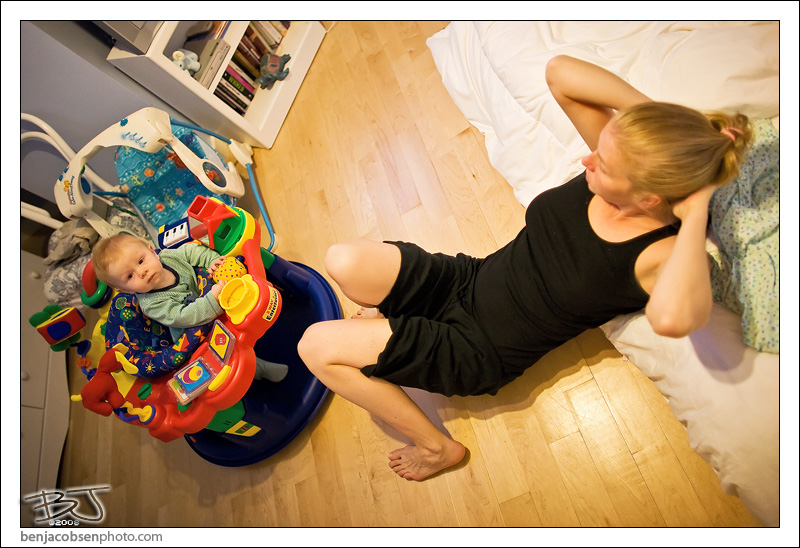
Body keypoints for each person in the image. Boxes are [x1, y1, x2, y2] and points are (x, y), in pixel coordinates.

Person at [296, 55, 754, 481]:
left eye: (604, 164)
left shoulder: (661, 252)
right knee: (343, 260)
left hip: (477, 348)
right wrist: (663, 134)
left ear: (650, 198)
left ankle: (437, 447)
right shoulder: (628, 171)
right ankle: (397, 324)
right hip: (468, 280)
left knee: (315, 347)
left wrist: (695, 211)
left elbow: (676, 319)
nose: (588, 159)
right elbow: (561, 72)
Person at [92, 232, 288, 382]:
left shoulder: (168, 257)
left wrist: (211, 261)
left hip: (210, 297)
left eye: (141, 261)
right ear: (125, 290)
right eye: (130, 276)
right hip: (195, 332)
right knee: (228, 355)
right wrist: (212, 300)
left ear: (152, 251)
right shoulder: (151, 304)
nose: (142, 271)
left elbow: (192, 252)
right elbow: (183, 316)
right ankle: (259, 368)